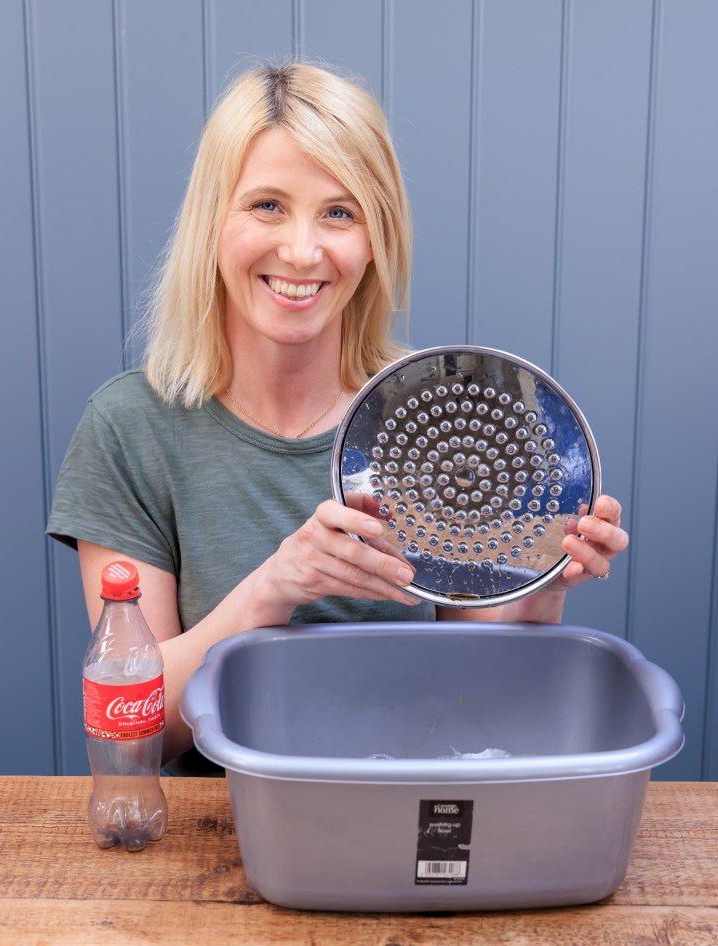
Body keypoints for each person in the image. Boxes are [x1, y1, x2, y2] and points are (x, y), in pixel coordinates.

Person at [47, 62, 629, 774]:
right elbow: (136, 737)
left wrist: (540, 584)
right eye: (266, 205)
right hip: (226, 836)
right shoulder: (129, 428)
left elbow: (491, 701)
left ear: (376, 237)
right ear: (212, 221)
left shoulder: (429, 419)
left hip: (415, 812)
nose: (301, 250)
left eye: (338, 212)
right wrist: (277, 586)